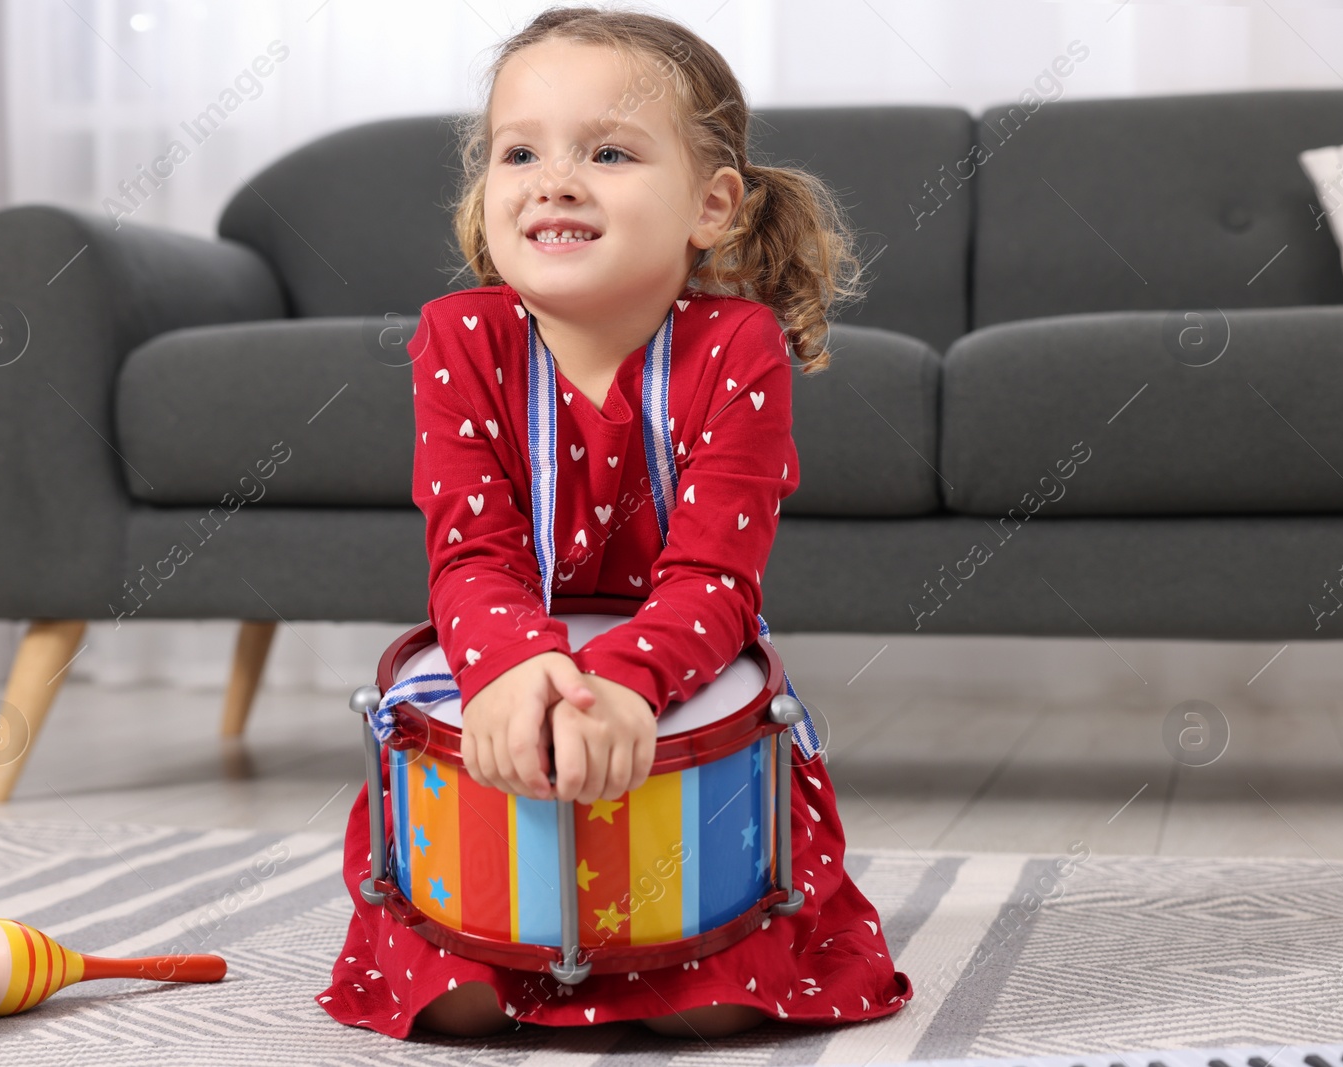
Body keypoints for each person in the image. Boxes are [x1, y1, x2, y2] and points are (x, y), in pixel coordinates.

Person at [318, 3, 912, 1041]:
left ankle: (686, 943)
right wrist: (511, 670)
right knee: (447, 1004)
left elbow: (716, 583)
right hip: (503, 640)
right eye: (519, 152)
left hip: (675, 655)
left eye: (608, 150)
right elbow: (470, 557)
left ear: (713, 205)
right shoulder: (457, 337)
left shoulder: (738, 346)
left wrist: (625, 683)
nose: (554, 178)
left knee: (721, 1011)